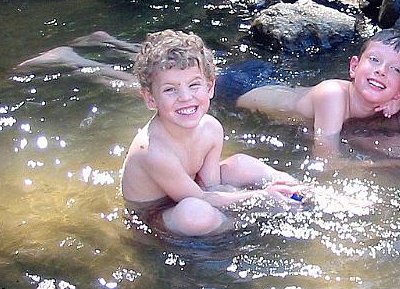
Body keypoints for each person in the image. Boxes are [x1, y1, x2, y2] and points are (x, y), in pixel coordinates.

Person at [120, 29, 303, 238]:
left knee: (241, 164)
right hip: (155, 216)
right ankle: (249, 224)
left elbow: (213, 187)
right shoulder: (153, 151)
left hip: (194, 192)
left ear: (210, 87)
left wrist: (255, 195)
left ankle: (296, 191)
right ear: (151, 98)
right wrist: (260, 199)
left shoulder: (211, 128)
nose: (185, 97)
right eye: (170, 89)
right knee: (195, 213)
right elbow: (201, 198)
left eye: (194, 85)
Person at [224, 29, 400, 152]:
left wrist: (396, 101)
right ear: (354, 67)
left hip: (277, 82)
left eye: (395, 69)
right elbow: (326, 159)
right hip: (241, 88)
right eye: (374, 60)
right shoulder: (333, 95)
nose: (381, 70)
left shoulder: (394, 105)